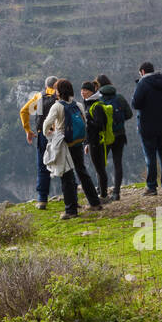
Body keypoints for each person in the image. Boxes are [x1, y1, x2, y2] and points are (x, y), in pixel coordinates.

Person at [42, 78, 103, 220]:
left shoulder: (57, 106)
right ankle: (95, 203)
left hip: (64, 144)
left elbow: (46, 125)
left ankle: (71, 210)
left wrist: (50, 133)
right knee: (82, 172)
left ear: (59, 91)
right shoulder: (79, 105)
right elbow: (84, 123)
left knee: (67, 176)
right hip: (77, 143)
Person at [88, 74, 132, 202]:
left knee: (101, 164)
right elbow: (129, 114)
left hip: (105, 136)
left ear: (98, 85)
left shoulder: (98, 99)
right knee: (118, 163)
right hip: (120, 135)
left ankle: (102, 190)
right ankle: (116, 193)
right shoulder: (119, 97)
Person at [131, 61, 162, 196]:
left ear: (142, 72)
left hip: (147, 125)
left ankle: (152, 186)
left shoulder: (142, 84)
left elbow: (135, 103)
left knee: (150, 157)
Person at [20, 76, 60, 210]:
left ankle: (42, 199)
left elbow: (24, 111)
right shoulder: (60, 96)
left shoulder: (39, 97)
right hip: (59, 135)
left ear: (46, 86)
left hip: (43, 135)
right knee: (65, 164)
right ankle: (71, 197)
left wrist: (28, 130)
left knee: (43, 166)